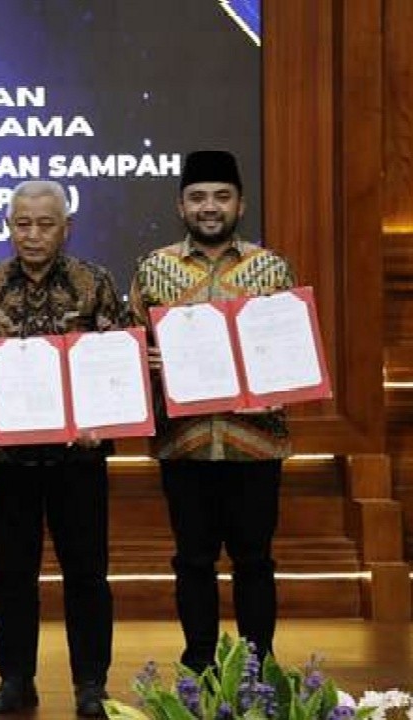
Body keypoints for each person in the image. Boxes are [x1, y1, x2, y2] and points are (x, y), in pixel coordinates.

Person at [0, 179, 120, 717]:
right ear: (8, 226)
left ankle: (91, 683)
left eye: (45, 224)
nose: (32, 234)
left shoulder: (96, 283)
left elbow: (118, 363)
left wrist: (104, 415)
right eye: (22, 223)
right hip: (7, 458)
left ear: (66, 228)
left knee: (87, 573)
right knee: (8, 575)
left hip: (79, 455)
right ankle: (15, 679)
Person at [128, 149, 296, 673]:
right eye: (198, 197)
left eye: (221, 196)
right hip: (186, 442)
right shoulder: (154, 268)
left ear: (240, 205)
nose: (209, 206)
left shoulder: (271, 267)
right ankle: (199, 669)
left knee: (255, 560)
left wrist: (282, 377)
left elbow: (291, 349)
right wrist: (145, 360)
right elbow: (126, 346)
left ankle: (259, 669)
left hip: (255, 442)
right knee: (193, 561)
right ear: (180, 206)